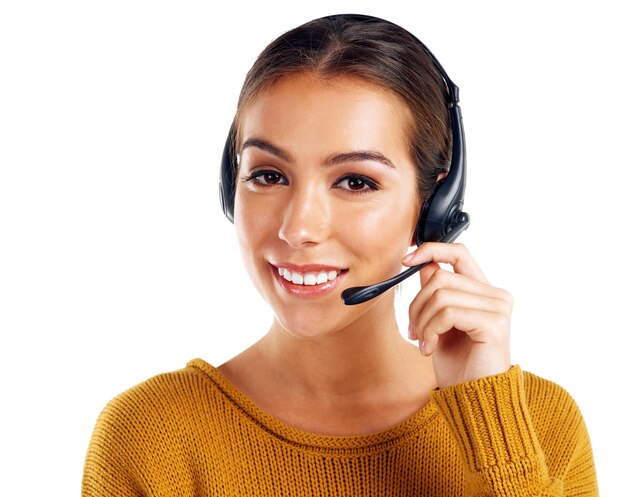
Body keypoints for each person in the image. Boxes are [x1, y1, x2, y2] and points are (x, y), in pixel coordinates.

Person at [82, 14, 598, 496]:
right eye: (268, 175)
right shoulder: (148, 438)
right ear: (229, 187)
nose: (299, 228)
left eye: (356, 181)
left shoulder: (540, 425)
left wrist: (493, 428)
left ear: (433, 205)